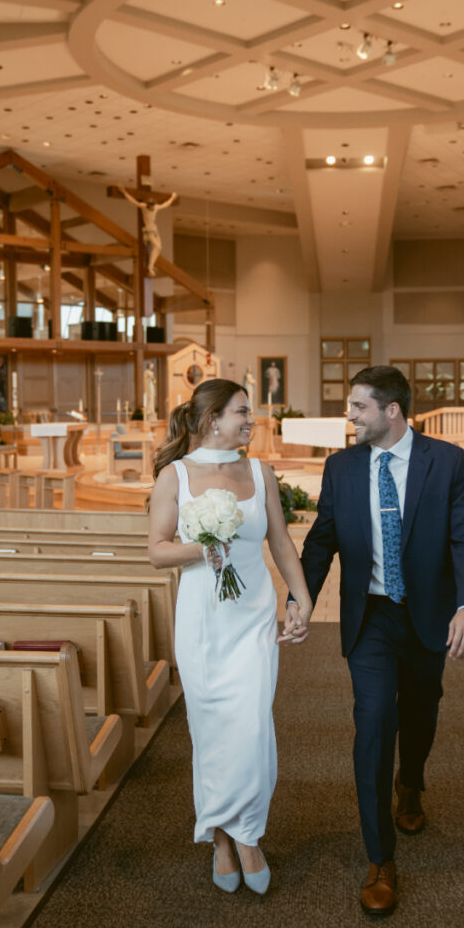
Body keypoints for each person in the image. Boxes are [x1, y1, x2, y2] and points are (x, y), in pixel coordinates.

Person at [289, 365, 464, 916]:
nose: (349, 416)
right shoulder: (342, 467)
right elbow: (321, 539)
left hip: (427, 615)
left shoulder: (444, 461)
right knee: (374, 722)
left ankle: (413, 783)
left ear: (391, 410)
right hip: (370, 616)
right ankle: (380, 856)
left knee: (421, 714)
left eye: (358, 407)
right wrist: (297, 600)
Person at [148, 379, 312, 896]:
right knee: (212, 728)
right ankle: (220, 836)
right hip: (203, 621)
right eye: (243, 412)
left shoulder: (260, 472)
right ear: (213, 417)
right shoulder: (175, 476)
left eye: (251, 413)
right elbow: (157, 550)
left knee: (252, 725)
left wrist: (299, 598)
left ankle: (246, 834)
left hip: (253, 616)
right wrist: (205, 547)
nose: (251, 420)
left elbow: (281, 542)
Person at [117, 185, 177, 276]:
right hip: (148, 230)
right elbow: (133, 201)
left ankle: (151, 266)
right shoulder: (143, 206)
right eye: (150, 206)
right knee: (156, 246)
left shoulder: (156, 207)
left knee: (159, 247)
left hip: (155, 229)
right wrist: (124, 192)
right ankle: (150, 266)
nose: (152, 208)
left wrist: (172, 197)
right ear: (148, 205)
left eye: (152, 206)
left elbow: (165, 205)